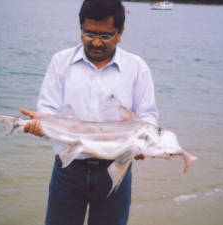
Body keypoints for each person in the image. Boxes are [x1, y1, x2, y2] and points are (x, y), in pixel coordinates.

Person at [20, 0, 158, 224]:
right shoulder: (61, 62)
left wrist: (142, 144)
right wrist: (40, 126)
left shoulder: (137, 68)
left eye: (105, 36)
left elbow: (148, 118)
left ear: (121, 33)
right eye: (88, 33)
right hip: (68, 170)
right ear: (80, 28)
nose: (95, 42)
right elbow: (47, 110)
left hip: (115, 170)